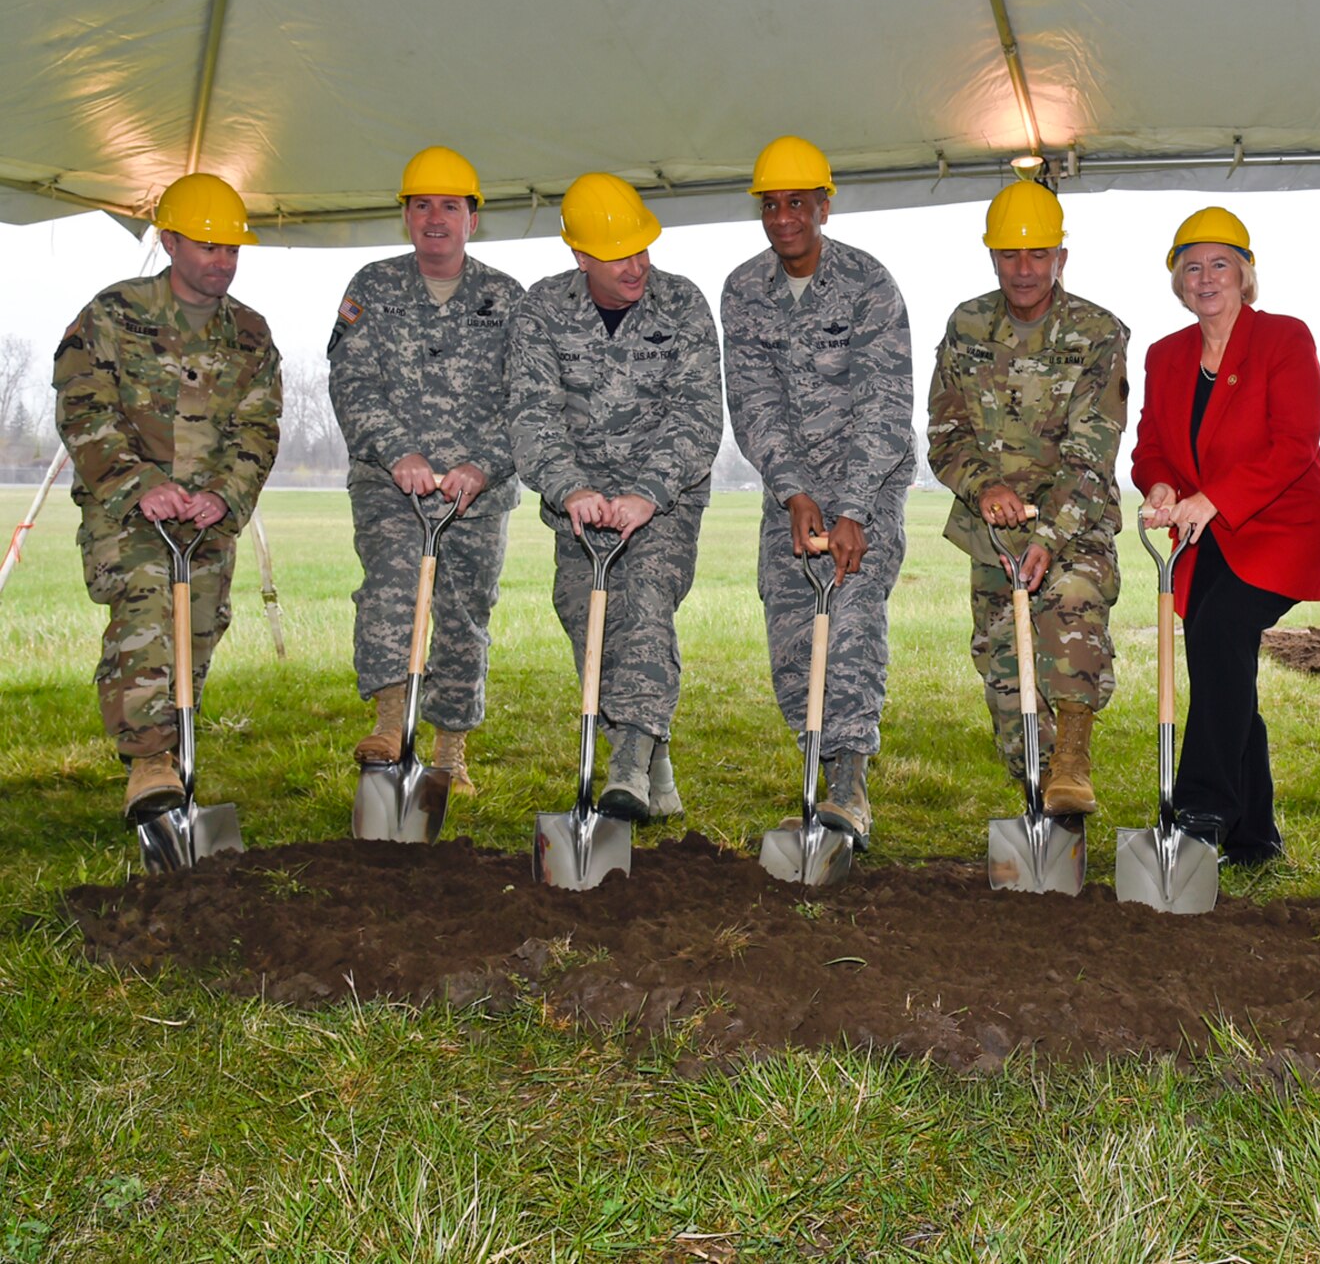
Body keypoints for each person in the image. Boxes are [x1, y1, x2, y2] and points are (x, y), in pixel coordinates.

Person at [51, 172, 282, 819]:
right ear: (171, 242)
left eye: (232, 249)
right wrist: (140, 484)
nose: (223, 261)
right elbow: (82, 407)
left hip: (206, 517)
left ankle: (176, 747)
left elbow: (258, 427)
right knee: (151, 600)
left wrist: (223, 497)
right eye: (209, 246)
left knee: (201, 623)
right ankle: (149, 759)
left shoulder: (252, 335)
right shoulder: (112, 314)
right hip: (125, 512)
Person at [509, 173, 723, 822]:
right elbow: (530, 412)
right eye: (617, 254)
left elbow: (697, 415)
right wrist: (571, 487)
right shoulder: (540, 311)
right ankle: (653, 760)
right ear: (580, 255)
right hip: (578, 506)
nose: (636, 266)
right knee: (586, 616)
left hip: (664, 498)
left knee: (646, 603)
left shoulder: (683, 305)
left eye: (642, 250)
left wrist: (646, 494)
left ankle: (626, 764)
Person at [721, 137, 914, 850]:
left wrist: (854, 508)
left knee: (852, 612)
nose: (782, 218)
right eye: (771, 205)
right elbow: (753, 400)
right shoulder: (743, 291)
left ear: (823, 206)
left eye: (796, 202)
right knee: (792, 631)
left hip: (868, 482)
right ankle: (814, 768)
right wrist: (794, 490)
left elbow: (888, 404)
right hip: (791, 490)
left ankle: (849, 787)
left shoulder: (869, 284)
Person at [1130, 207, 1320, 865]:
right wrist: (1160, 487)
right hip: (1207, 532)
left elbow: (1294, 443)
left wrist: (1213, 498)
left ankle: (1202, 809)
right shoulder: (1166, 356)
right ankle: (1255, 836)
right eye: (1191, 266)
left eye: (1221, 263)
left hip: (1283, 522)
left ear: (1246, 275)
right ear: (1177, 281)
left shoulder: (1283, 339)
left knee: (1218, 631)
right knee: (1222, 661)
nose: (1205, 276)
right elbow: (1151, 448)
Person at [328, 146, 523, 794]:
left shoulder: (506, 298)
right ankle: (390, 724)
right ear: (406, 216)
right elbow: (352, 383)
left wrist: (483, 465)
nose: (434, 217)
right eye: (421, 205)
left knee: (465, 612)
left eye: (449, 205)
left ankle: (449, 752)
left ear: (473, 217)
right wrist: (396, 453)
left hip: (477, 494)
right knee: (388, 588)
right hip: (392, 486)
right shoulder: (372, 287)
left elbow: (528, 398)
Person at [928, 181, 1128, 811]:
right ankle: (1039, 798)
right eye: (1010, 255)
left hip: (1074, 521)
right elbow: (944, 431)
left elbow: (1092, 450)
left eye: (1038, 254)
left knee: (1072, 606)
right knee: (1006, 674)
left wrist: (1049, 537)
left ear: (1060, 257)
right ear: (992, 257)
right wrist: (983, 486)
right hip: (992, 535)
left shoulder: (1097, 333)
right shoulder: (965, 326)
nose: (1023, 269)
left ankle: (1072, 760)